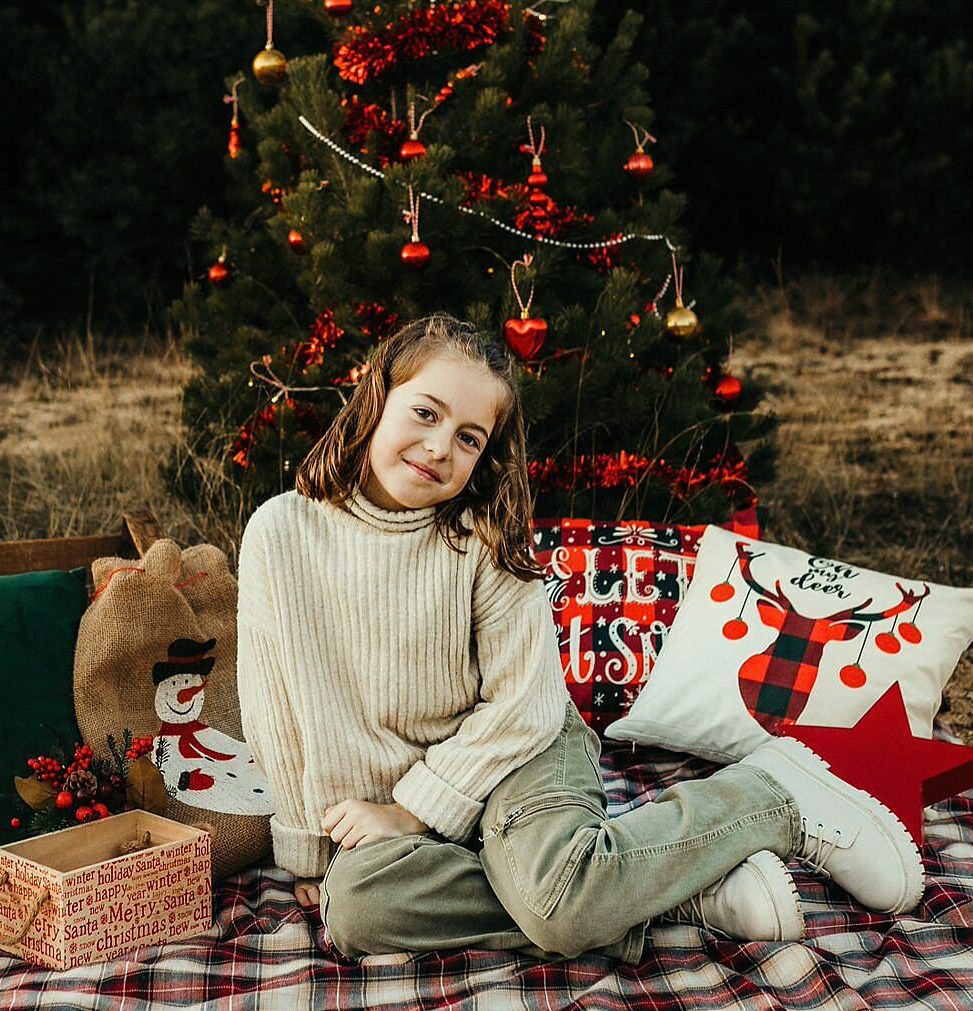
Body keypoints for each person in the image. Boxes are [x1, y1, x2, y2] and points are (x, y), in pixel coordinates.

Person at [233, 314, 924, 962]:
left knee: (558, 907)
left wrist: (412, 812)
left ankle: (769, 797)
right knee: (353, 911)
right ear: (375, 396)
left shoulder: (479, 539)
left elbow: (523, 709)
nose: (441, 447)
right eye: (425, 412)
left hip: (518, 749)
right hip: (401, 804)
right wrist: (308, 854)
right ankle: (660, 886)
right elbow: (276, 713)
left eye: (470, 437)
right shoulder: (279, 535)